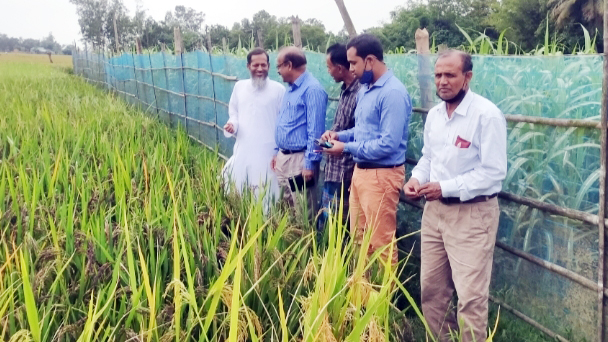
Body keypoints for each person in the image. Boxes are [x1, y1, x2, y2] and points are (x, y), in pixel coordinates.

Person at [403, 49, 507, 342]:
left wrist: (443, 187)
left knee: (471, 298)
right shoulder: (435, 116)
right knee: (432, 292)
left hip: (472, 215)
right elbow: (428, 158)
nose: (443, 81)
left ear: (467, 77)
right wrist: (416, 179)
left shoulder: (486, 115)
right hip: (435, 213)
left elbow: (493, 172)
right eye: (438, 75)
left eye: (450, 74)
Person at [322, 34, 412, 264]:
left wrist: (345, 148)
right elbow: (363, 131)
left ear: (370, 61)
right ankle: (362, 296)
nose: (351, 69)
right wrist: (338, 135)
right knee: (359, 241)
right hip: (361, 173)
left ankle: (382, 299)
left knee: (381, 244)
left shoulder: (392, 93)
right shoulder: (365, 90)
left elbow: (388, 143)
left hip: (381, 175)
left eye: (354, 63)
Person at [223, 48, 285, 208]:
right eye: (255, 65)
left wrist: (279, 151)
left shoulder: (279, 90)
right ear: (248, 66)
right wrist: (232, 125)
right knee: (240, 189)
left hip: (269, 152)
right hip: (244, 149)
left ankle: (269, 227)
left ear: (269, 66)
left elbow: (284, 121)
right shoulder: (239, 87)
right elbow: (234, 113)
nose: (259, 69)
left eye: (263, 65)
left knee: (267, 194)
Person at [272, 46, 327, 219]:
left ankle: (308, 245)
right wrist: (277, 152)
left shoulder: (312, 90)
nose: (278, 71)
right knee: (287, 211)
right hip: (284, 159)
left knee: (303, 213)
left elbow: (317, 132)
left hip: (299, 162)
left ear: (289, 65)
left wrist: (310, 164)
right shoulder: (291, 89)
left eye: (279, 66)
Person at [317, 43, 360, 235]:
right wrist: (330, 133)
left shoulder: (360, 93)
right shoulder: (346, 90)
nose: (329, 71)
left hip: (346, 171)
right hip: (334, 168)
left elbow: (361, 132)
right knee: (327, 222)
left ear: (340, 68)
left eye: (329, 67)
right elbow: (342, 126)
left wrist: (339, 141)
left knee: (339, 227)